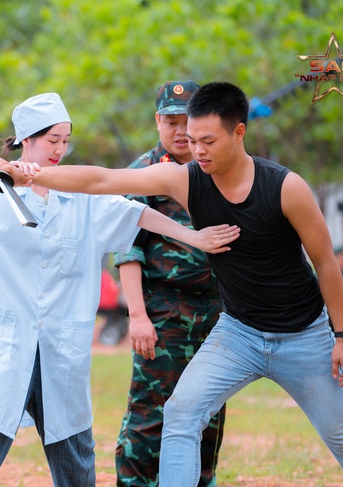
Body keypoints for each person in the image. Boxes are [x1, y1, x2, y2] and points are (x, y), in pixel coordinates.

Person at [0, 82, 343, 486]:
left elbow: (324, 262)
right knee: (180, 413)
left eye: (208, 141)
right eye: (193, 140)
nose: (197, 150)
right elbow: (100, 180)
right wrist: (31, 174)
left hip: (303, 336)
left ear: (238, 133)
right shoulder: (186, 179)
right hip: (239, 333)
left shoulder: (286, 188)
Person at [0, 92, 240, 487]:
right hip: (1, 345)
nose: (60, 149)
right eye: (52, 139)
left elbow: (135, 213)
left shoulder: (78, 197)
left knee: (74, 449)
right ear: (27, 139)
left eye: (65, 140)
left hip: (59, 346)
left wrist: (192, 237)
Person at [113, 81, 224, 487]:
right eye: (170, 121)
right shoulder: (144, 174)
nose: (179, 131)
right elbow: (127, 249)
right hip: (164, 310)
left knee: (208, 410)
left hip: (216, 312)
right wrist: (138, 316)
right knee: (151, 412)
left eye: (186, 122)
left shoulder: (217, 167)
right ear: (157, 121)